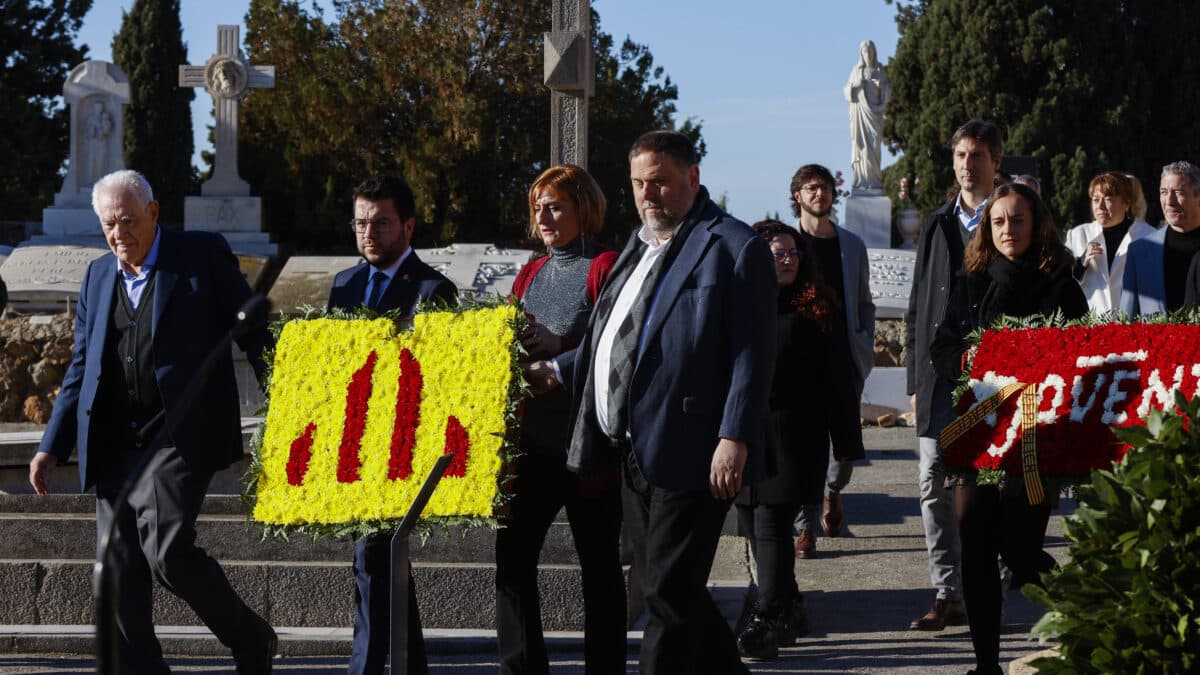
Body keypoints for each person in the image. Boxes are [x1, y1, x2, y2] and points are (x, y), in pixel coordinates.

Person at [525, 130, 777, 674]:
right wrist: (560, 369)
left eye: (660, 182)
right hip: (631, 450)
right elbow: (611, 338)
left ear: (693, 178)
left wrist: (734, 437)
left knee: (664, 590)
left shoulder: (733, 246)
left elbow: (753, 354)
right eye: (639, 184)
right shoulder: (638, 245)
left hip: (695, 447)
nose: (648, 195)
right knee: (675, 591)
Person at [27, 169, 276, 674]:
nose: (119, 234)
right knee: (117, 571)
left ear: (154, 212)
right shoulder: (99, 275)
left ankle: (252, 638)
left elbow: (252, 330)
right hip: (115, 442)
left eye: (128, 220)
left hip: (179, 436)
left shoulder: (201, 255)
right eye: (108, 225)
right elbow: (81, 365)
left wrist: (290, 398)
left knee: (166, 552)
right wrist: (50, 445)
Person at [931, 182, 1087, 675]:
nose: (1007, 230)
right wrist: (965, 359)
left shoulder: (1058, 281)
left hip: (1036, 435)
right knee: (975, 548)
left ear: (1035, 223)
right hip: (978, 433)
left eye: (1017, 220)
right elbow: (941, 346)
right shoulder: (971, 279)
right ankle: (986, 665)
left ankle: (1083, 608)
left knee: (1020, 552)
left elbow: (1085, 351)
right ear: (987, 227)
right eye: (998, 221)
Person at [496, 164, 625, 675]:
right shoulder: (530, 272)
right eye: (538, 207)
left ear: (583, 210)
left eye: (555, 206)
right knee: (511, 565)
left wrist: (560, 349)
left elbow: (617, 347)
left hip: (586, 444)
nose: (544, 216)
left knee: (598, 570)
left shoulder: (606, 265)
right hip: (531, 442)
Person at [328, 175, 458, 675]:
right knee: (382, 569)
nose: (369, 233)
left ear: (407, 226)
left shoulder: (433, 290)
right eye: (361, 222)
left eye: (381, 222)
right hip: (354, 450)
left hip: (405, 449)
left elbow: (438, 377)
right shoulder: (345, 285)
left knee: (372, 563)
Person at [734, 220, 863, 660]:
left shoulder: (818, 309)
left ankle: (765, 617)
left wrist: (847, 444)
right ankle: (788, 605)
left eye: (793, 252)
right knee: (754, 527)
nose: (787, 258)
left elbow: (839, 382)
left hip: (795, 439)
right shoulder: (741, 305)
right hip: (745, 438)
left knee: (772, 526)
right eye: (777, 252)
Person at [905, 119, 1004, 631]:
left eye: (978, 155)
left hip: (995, 378)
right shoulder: (936, 221)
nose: (969, 164)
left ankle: (990, 585)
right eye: (962, 155)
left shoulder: (1013, 218)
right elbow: (919, 298)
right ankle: (948, 592)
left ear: (996, 163)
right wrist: (915, 379)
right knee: (931, 484)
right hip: (939, 376)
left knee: (990, 486)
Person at [788, 163, 875, 553]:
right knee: (804, 448)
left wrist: (863, 345)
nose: (819, 194)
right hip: (800, 363)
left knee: (844, 450)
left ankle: (832, 491)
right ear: (798, 196)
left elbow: (864, 302)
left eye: (824, 187)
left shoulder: (852, 245)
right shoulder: (788, 243)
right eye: (811, 188)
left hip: (843, 359)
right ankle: (804, 527)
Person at [1064, 172, 1156, 315]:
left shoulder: (1148, 236)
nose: (1100, 206)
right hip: (1090, 327)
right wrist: (1081, 264)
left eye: (1108, 199)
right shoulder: (1078, 235)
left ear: (1126, 203)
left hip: (1133, 326)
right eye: (1095, 200)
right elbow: (1063, 284)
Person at [1121, 161, 1200, 317]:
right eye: (1164, 192)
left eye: (1179, 192)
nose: (1169, 201)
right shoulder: (1139, 252)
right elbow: (1125, 322)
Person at [843, 40, 890, 191]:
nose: (868, 54)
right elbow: (846, 91)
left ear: (874, 53)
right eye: (865, 52)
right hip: (860, 116)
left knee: (875, 145)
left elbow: (888, 89)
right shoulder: (857, 70)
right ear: (861, 54)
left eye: (870, 51)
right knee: (861, 147)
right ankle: (863, 181)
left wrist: (882, 88)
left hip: (875, 115)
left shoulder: (879, 69)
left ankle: (874, 180)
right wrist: (856, 85)